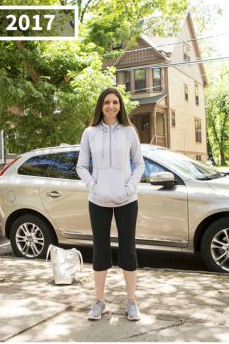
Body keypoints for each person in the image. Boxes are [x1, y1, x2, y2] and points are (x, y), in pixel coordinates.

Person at [76, 87, 144, 321]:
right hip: (98, 201)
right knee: (100, 250)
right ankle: (98, 301)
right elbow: (81, 166)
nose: (111, 106)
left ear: (120, 105)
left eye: (115, 102)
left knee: (128, 250)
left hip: (127, 200)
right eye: (107, 102)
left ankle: (132, 302)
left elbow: (139, 164)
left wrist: (129, 187)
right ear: (101, 106)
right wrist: (94, 186)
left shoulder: (129, 131)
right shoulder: (90, 133)